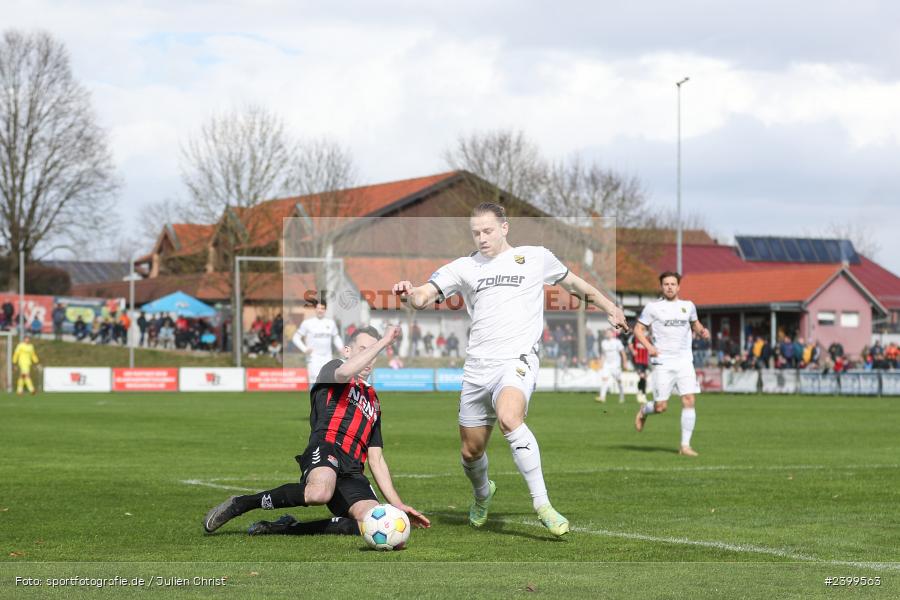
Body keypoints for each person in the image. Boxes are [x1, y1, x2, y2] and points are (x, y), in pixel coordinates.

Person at [391, 202, 627, 537]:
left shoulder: (535, 257)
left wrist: (611, 307)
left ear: (505, 227)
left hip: (517, 359)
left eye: (487, 230)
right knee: (471, 451)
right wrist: (408, 292)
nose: (482, 238)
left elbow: (576, 286)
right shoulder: (463, 267)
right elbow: (423, 296)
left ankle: (542, 504)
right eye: (476, 232)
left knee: (510, 417)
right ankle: (483, 493)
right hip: (477, 366)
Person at [203, 326, 431, 537]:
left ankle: (287, 528)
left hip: (352, 472)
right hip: (326, 448)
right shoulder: (333, 369)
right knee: (319, 493)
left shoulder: (374, 401)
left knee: (371, 524)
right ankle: (242, 503)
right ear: (347, 350)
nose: (370, 356)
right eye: (365, 349)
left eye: (374, 352)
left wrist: (398, 506)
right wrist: (383, 342)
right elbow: (344, 373)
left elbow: (377, 459)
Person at [633, 271, 710, 457]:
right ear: (661, 287)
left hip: (684, 361)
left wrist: (702, 331)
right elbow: (638, 329)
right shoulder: (653, 308)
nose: (669, 287)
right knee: (661, 407)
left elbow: (695, 324)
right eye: (666, 284)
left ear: (678, 286)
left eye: (673, 284)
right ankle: (645, 410)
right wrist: (649, 347)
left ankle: (685, 446)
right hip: (663, 362)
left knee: (689, 400)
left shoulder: (688, 306)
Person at [291, 300, 343, 384]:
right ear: (315, 309)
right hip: (313, 358)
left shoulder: (331, 323)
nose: (320, 310)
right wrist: (305, 349)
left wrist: (341, 348)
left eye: (322, 308)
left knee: (328, 382)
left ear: (325, 310)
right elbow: (295, 338)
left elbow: (336, 337)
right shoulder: (307, 323)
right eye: (318, 308)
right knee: (314, 382)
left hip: (327, 357)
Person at [596, 329, 627, 404]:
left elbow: (623, 353)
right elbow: (603, 354)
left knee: (618, 381)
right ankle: (602, 397)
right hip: (607, 364)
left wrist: (624, 363)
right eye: (607, 333)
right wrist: (601, 363)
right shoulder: (604, 343)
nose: (608, 334)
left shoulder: (617, 342)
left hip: (616, 365)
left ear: (613, 334)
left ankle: (622, 396)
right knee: (604, 379)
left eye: (609, 333)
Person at [630, 334, 650, 403]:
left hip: (645, 361)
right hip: (637, 360)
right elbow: (630, 344)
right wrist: (632, 350)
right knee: (642, 376)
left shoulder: (648, 337)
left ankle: (642, 393)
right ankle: (641, 393)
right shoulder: (635, 336)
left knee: (644, 378)